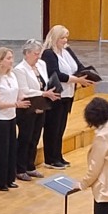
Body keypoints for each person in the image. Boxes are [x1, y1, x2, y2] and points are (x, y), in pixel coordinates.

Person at [41, 25, 94, 169]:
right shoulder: (48, 54)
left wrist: (87, 76)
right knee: (52, 127)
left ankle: (58, 156)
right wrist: (77, 80)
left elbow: (79, 66)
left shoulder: (67, 51)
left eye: (66, 37)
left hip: (68, 94)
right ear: (55, 38)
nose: (65, 40)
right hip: (56, 95)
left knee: (61, 127)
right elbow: (55, 74)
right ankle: (50, 159)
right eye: (62, 38)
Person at [13, 39, 61, 182]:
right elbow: (24, 91)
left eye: (39, 53)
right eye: (35, 54)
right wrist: (44, 94)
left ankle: (30, 166)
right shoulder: (20, 69)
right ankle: (20, 168)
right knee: (25, 138)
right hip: (27, 107)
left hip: (41, 105)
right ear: (27, 53)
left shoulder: (41, 64)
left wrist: (48, 92)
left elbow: (44, 83)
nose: (38, 57)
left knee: (35, 137)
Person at [0, 47, 30, 191]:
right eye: (8, 58)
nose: (12, 61)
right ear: (0, 61)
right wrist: (15, 104)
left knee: (11, 149)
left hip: (11, 117)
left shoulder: (11, 76)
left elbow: (17, 93)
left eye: (12, 58)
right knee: (0, 151)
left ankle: (9, 178)